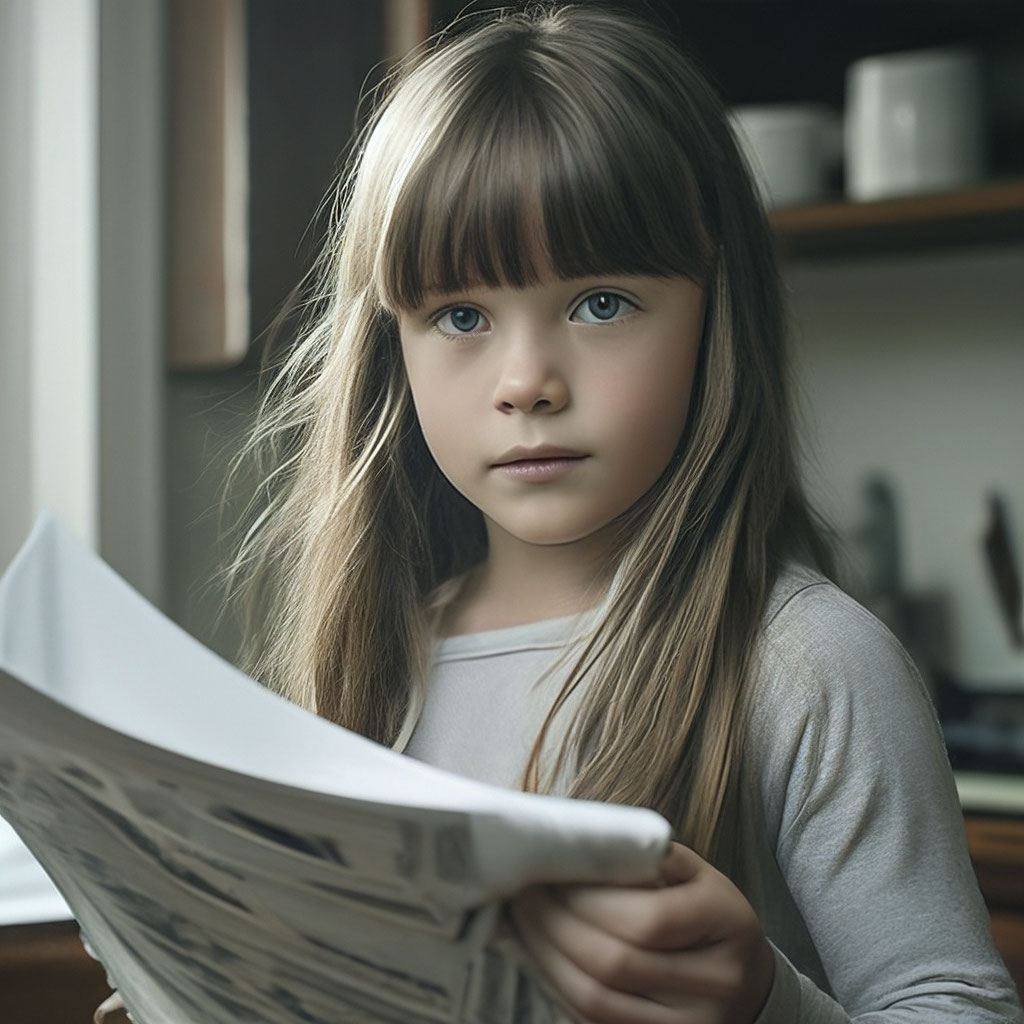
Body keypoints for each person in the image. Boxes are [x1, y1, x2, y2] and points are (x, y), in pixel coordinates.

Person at [96, 3, 1022, 1022]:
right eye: (460, 316)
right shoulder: (373, 660)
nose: (526, 381)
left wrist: (764, 1001)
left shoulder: (807, 666)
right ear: (390, 353)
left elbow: (954, 1003)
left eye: (599, 302)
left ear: (717, 316)